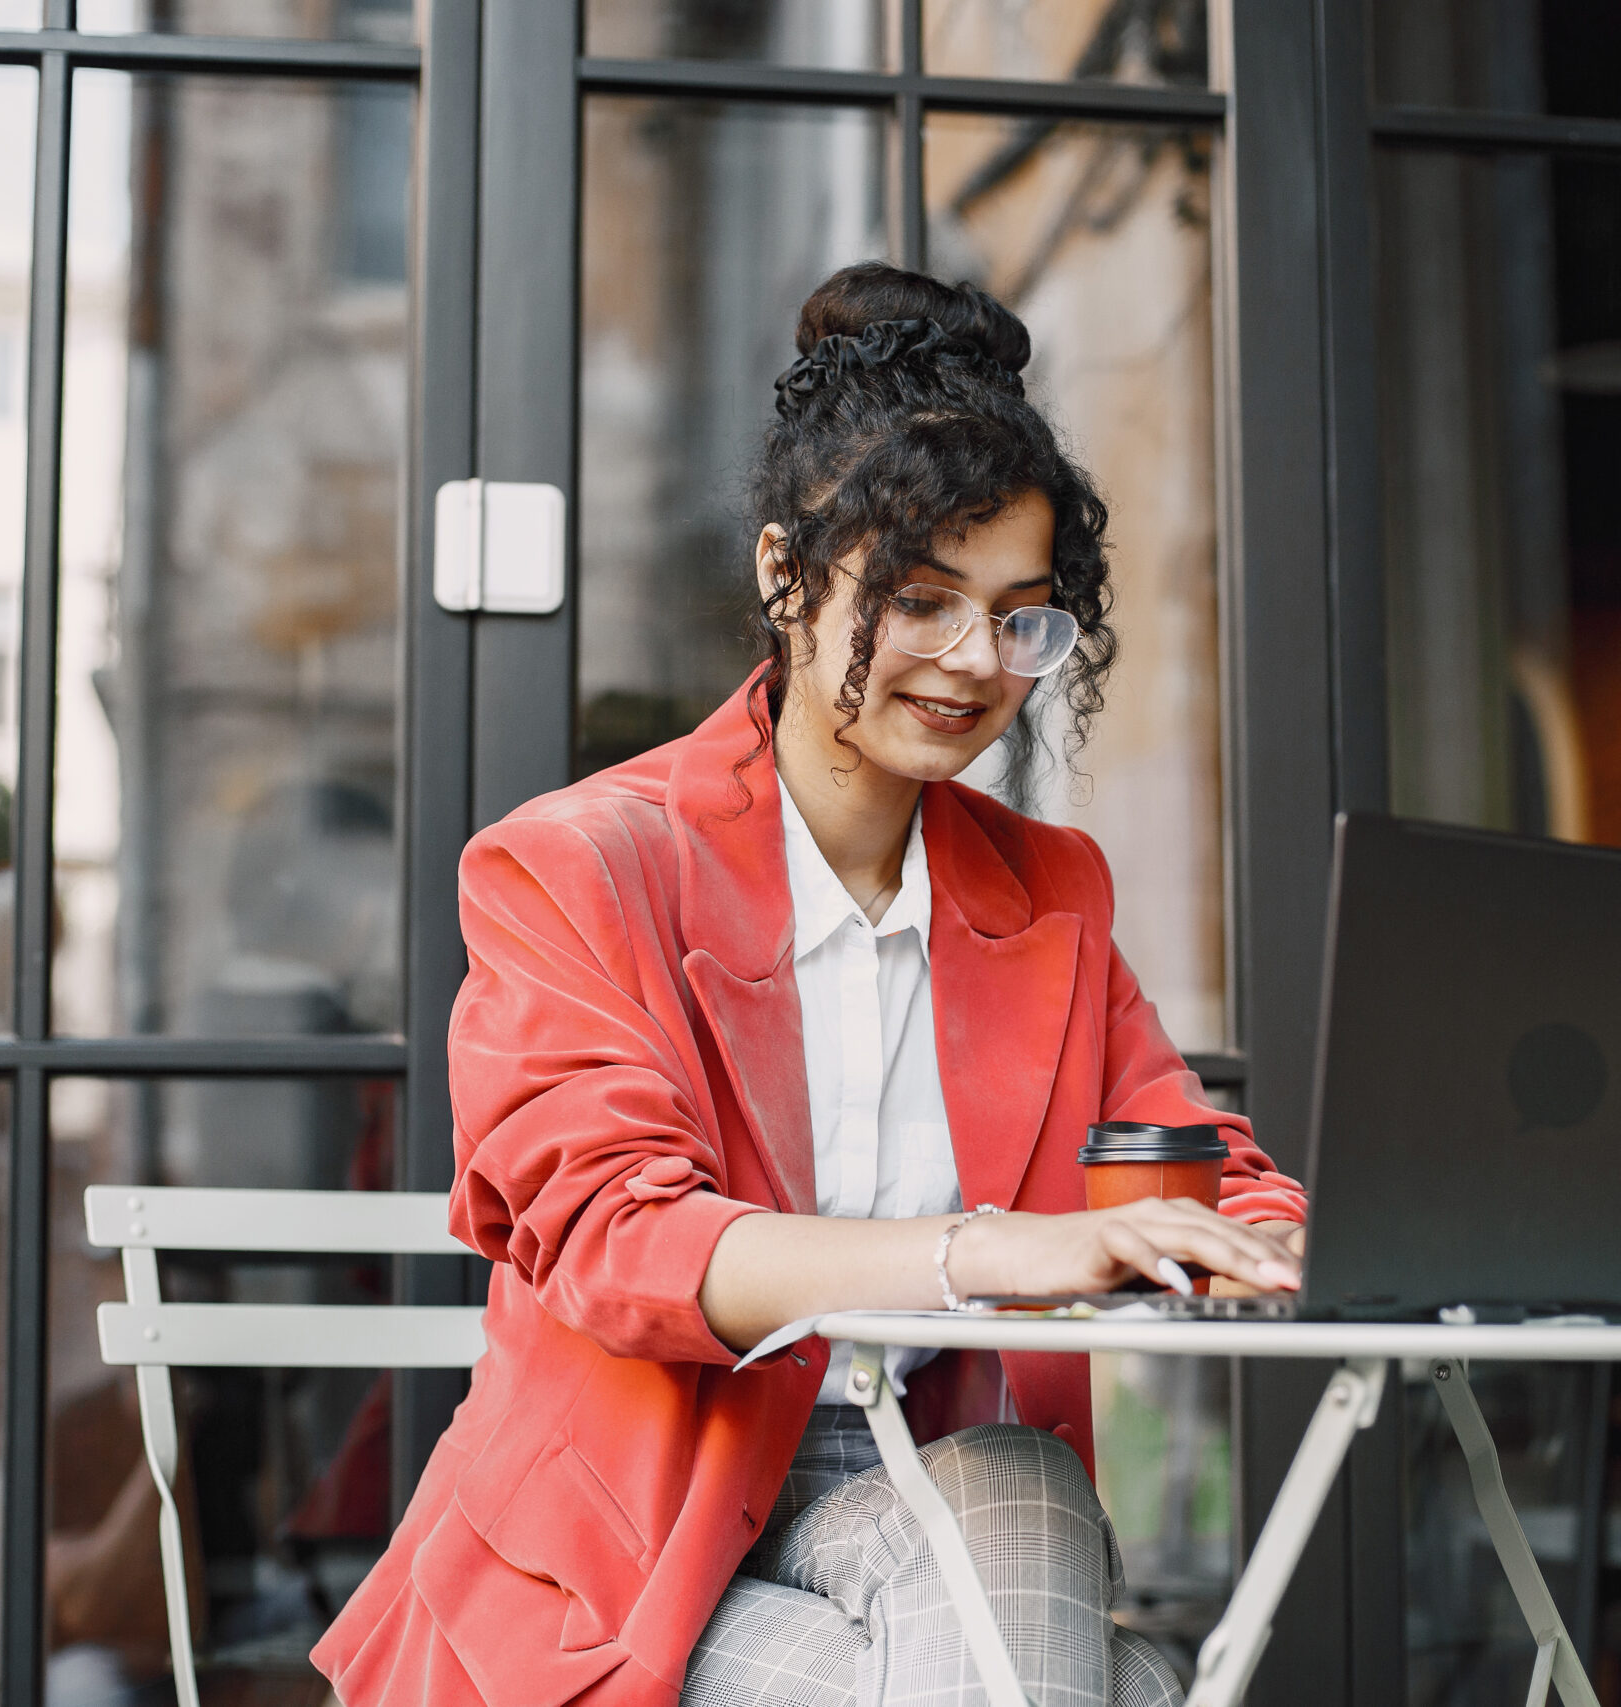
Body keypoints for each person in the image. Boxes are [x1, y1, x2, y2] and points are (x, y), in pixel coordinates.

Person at [312, 262, 1307, 1707]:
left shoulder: (1052, 895)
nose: (977, 665)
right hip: (631, 1558)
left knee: (1020, 1494)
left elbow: (1201, 1170)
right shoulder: (573, 867)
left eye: (1021, 618)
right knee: (1132, 1687)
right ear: (786, 573)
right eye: (919, 601)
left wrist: (1273, 1239)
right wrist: (983, 1251)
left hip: (932, 1508)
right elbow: (625, 1245)